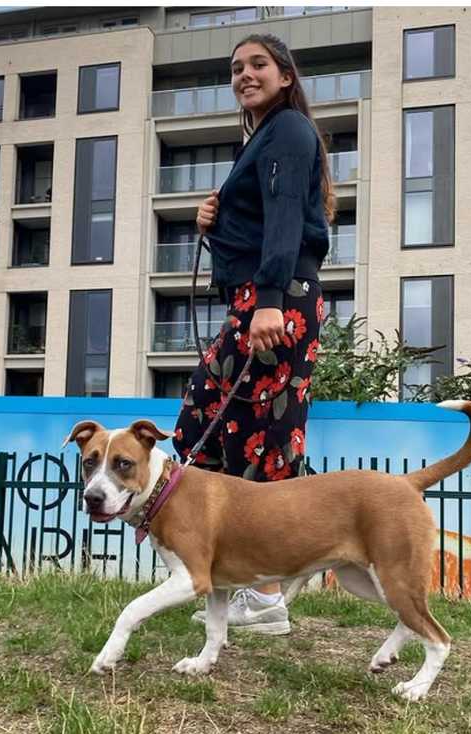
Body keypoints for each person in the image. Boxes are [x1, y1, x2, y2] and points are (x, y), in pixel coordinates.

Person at [173, 33, 335, 635]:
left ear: (286, 75)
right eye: (236, 68)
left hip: (277, 302)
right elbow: (261, 219)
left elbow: (288, 217)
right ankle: (227, 579)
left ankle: (266, 595)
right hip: (250, 303)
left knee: (268, 439)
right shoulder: (261, 140)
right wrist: (210, 223)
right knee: (203, 427)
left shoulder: (289, 132)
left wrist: (269, 301)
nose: (244, 74)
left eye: (258, 64)